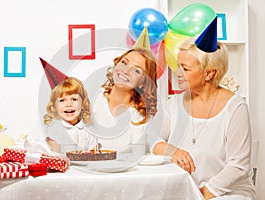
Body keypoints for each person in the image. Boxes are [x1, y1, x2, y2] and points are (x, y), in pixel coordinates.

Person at [153, 36, 256, 199]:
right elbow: (152, 140)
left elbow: (238, 166)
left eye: (185, 69)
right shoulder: (174, 103)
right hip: (185, 191)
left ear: (209, 73)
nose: (178, 73)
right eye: (178, 66)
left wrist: (200, 195)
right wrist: (172, 150)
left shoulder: (235, 107)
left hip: (226, 194)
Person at [90, 47, 158, 155]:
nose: (125, 71)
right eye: (124, 63)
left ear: (142, 83)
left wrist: (174, 152)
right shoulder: (92, 100)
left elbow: (153, 141)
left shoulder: (141, 116)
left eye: (136, 70)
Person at [44, 77, 96, 153]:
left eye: (74, 99)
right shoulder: (54, 128)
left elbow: (94, 155)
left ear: (83, 104)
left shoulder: (89, 129)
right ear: (55, 107)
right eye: (62, 100)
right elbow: (54, 156)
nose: (68, 104)